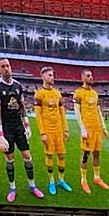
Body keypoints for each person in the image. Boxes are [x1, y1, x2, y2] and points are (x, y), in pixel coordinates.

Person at [0, 58, 44, 202]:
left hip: (18, 126)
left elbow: (22, 106)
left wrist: (27, 125)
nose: (6, 68)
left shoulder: (18, 85)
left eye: (8, 65)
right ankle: (12, 188)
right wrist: (0, 136)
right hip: (6, 127)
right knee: (10, 158)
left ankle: (32, 186)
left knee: (27, 156)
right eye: (3, 66)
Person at [34, 66, 72, 195]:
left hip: (59, 130)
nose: (52, 77)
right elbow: (38, 115)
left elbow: (62, 113)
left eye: (53, 75)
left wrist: (66, 130)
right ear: (43, 77)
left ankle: (61, 180)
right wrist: (42, 133)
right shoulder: (39, 94)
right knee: (49, 155)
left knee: (61, 155)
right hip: (48, 131)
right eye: (49, 75)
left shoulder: (57, 93)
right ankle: (51, 181)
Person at [73, 69, 109, 194]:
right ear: (82, 77)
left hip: (97, 129)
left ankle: (97, 178)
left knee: (97, 154)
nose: (91, 77)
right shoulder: (78, 93)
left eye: (91, 75)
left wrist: (103, 127)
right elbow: (77, 112)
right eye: (88, 75)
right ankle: (83, 180)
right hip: (87, 130)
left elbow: (98, 111)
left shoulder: (94, 93)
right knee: (85, 155)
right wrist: (82, 129)